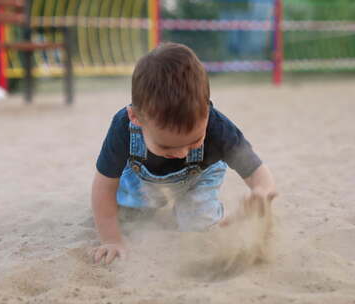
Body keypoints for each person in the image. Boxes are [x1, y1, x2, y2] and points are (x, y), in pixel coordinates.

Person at [90, 42, 277, 265]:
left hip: (199, 177)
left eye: (194, 141)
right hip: (142, 176)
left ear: (207, 111)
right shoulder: (123, 128)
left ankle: (189, 208)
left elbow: (257, 171)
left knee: (198, 225)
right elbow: (103, 185)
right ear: (136, 118)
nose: (181, 153)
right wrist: (111, 239)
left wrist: (262, 191)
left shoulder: (219, 128)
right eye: (167, 147)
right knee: (128, 217)